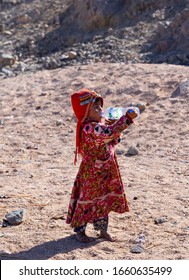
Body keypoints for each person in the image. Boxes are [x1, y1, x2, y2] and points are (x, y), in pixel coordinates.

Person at [66, 88, 138, 243]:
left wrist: (114, 129)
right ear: (85, 111)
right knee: (88, 198)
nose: (101, 110)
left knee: (103, 198)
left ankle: (102, 230)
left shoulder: (98, 124)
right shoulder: (89, 127)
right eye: (96, 107)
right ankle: (80, 231)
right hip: (93, 171)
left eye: (100, 106)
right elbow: (109, 134)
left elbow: (112, 139)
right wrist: (126, 119)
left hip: (106, 169)